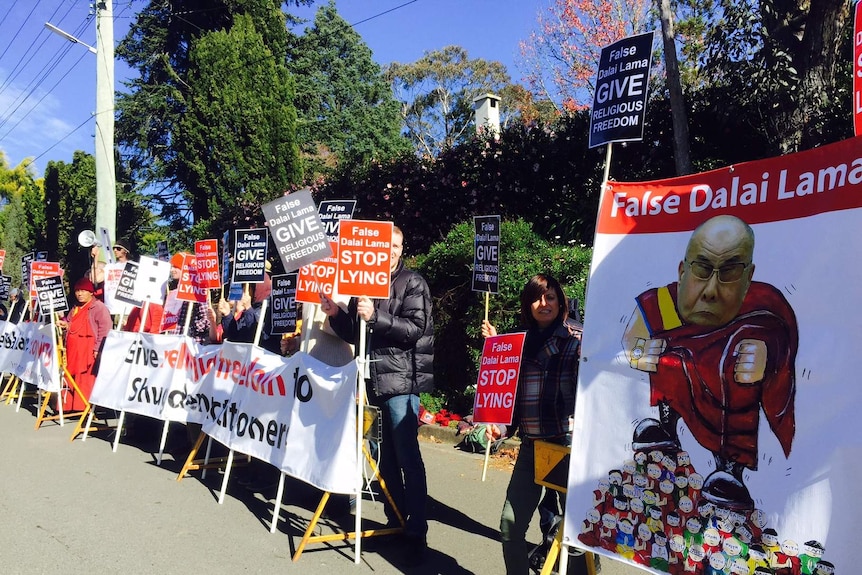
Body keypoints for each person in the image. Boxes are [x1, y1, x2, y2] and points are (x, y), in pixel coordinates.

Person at [622, 214, 798, 511]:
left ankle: (731, 468)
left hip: (731, 403)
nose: (711, 290)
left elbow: (783, 341)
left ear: (748, 277)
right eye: (702, 270)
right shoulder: (665, 302)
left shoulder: (763, 306)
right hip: (681, 400)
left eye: (729, 273)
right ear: (682, 271)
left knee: (736, 360)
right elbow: (629, 343)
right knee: (669, 354)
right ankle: (667, 429)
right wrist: (641, 353)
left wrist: (769, 361)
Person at [320, 225, 434, 564]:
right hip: (372, 381)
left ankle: (417, 529)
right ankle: (396, 520)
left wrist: (378, 315)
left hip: (401, 383)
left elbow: (415, 329)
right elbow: (358, 334)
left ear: (402, 249)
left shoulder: (412, 282)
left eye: (397, 245)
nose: (392, 251)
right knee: (383, 457)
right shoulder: (363, 284)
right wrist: (337, 314)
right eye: (387, 246)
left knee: (407, 457)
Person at [481, 273, 581, 575]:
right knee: (509, 526)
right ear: (528, 304)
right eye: (537, 297)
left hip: (567, 446)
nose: (544, 303)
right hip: (531, 446)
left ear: (560, 301)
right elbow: (509, 396)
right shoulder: (516, 342)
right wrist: (500, 427)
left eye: (550, 297)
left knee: (579, 533)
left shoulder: (577, 340)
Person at [56, 277, 112, 411]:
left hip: (88, 350)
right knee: (70, 376)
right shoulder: (76, 307)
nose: (79, 294)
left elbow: (105, 329)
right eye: (77, 291)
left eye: (83, 291)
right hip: (73, 350)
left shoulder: (98, 307)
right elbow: (72, 324)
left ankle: (84, 407)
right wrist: (66, 324)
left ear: (91, 292)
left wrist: (98, 348)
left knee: (85, 379)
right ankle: (69, 406)